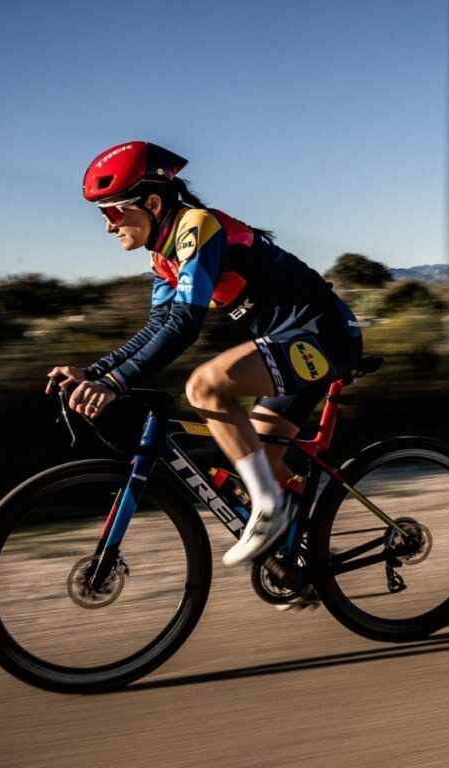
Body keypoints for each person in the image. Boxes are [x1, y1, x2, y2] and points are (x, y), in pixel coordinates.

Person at [46, 141, 363, 574]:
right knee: (254, 462)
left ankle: (271, 511)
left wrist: (114, 383)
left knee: (204, 386)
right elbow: (158, 325)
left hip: (321, 336)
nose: (107, 226)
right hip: (287, 345)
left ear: (152, 202)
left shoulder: (198, 226)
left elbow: (184, 325)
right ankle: (302, 562)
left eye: (112, 212)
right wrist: (97, 371)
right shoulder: (164, 258)